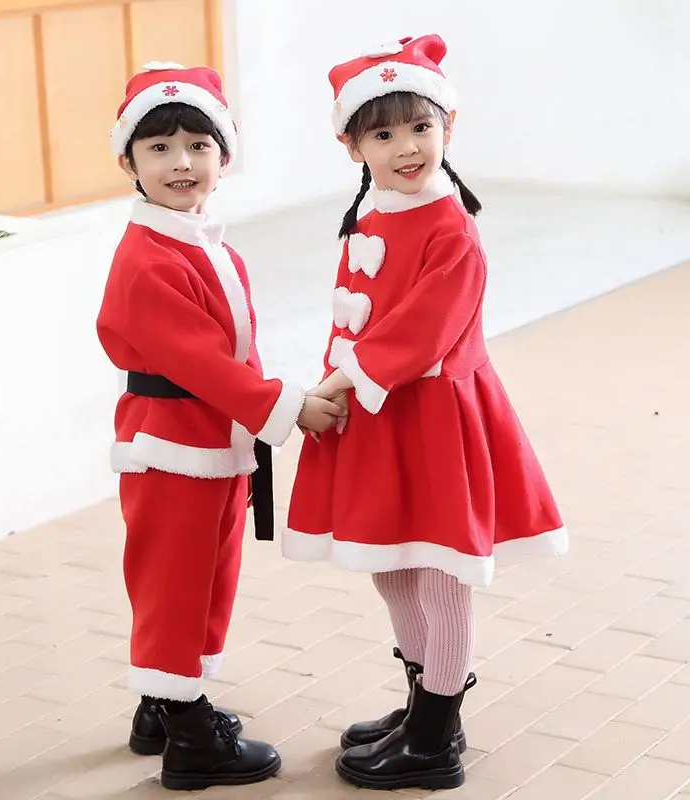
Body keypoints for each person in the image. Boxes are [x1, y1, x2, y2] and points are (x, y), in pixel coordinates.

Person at [283, 35, 568, 791]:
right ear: (352, 146)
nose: (406, 147)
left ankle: (437, 736)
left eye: (420, 127)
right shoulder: (372, 212)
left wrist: (336, 389)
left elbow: (421, 332)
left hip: (433, 417)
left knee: (439, 572)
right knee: (392, 567)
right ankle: (422, 699)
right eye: (382, 133)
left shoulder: (451, 228)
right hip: (381, 416)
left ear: (448, 127)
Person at [96, 61, 346, 791]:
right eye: (160, 147)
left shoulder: (204, 242)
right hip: (173, 447)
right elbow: (201, 361)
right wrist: (287, 404)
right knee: (177, 585)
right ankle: (191, 738)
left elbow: (232, 350)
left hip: (210, 443)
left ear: (223, 156)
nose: (181, 162)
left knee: (208, 578)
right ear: (128, 163)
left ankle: (162, 703)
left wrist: (258, 413)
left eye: (198, 146)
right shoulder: (148, 258)